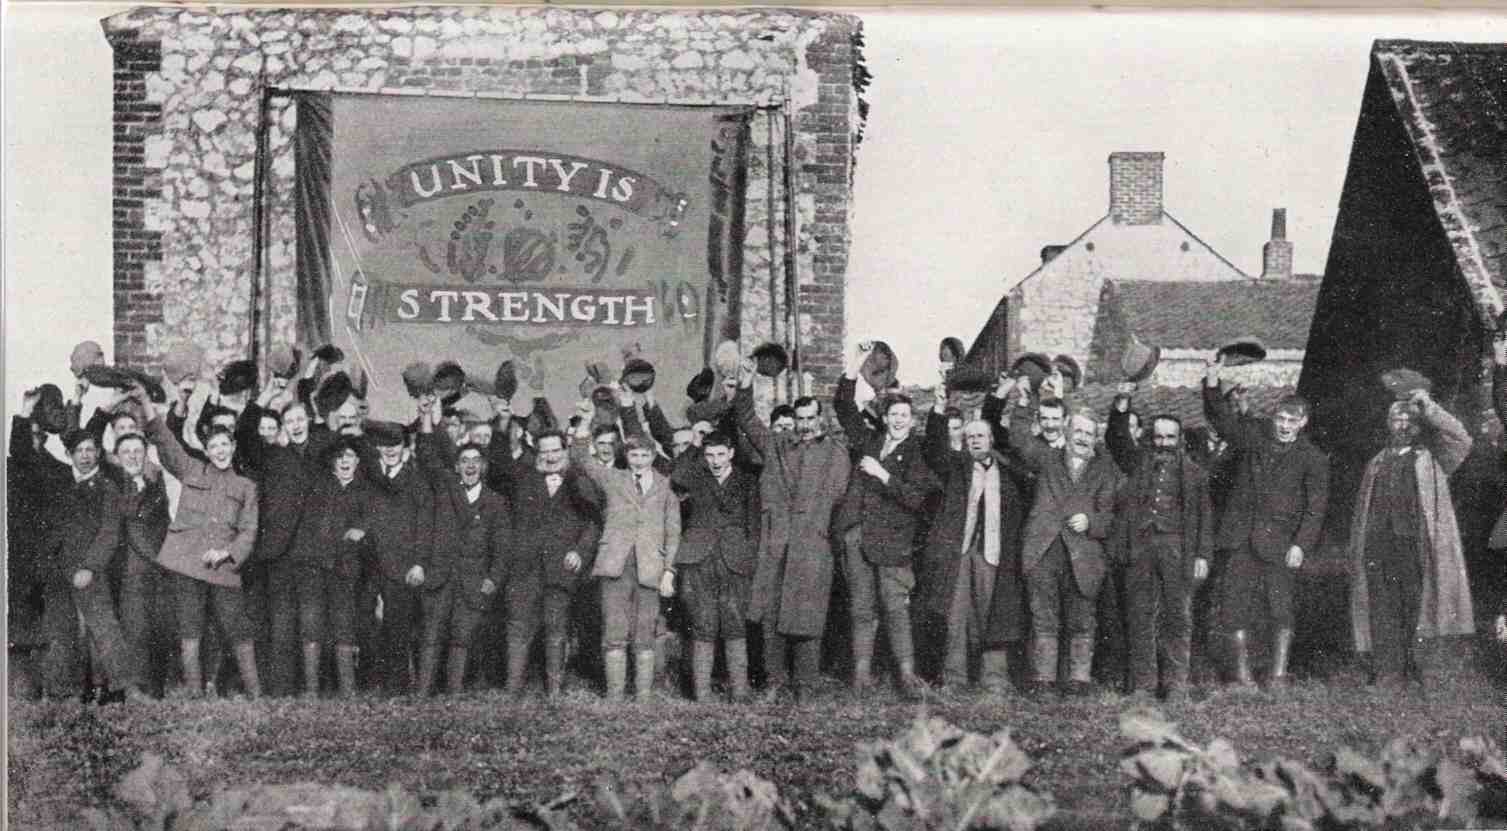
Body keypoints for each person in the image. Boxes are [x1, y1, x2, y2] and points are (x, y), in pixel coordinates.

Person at [1203, 358, 1329, 688]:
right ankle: (1242, 676)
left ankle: (1277, 674)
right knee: (1233, 606)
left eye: (1292, 420)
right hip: (1241, 538)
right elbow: (1221, 420)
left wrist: (1301, 545)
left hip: (1281, 543)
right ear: (1274, 418)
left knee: (1280, 609)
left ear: (1303, 422)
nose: (1285, 425)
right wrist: (1213, 378)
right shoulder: (1254, 440)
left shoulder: (1313, 459)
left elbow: (1315, 509)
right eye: (1281, 418)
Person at [732, 358, 851, 701]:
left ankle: (805, 686)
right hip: (777, 545)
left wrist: (818, 532)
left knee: (808, 618)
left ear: (821, 419)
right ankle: (774, 682)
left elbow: (835, 498)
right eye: (800, 419)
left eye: (811, 419)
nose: (806, 425)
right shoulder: (777, 445)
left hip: (812, 545)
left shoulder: (835, 454)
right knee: (771, 616)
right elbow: (747, 419)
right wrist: (745, 384)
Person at [15, 389, 143, 701]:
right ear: (70, 454)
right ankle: (61, 693)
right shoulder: (58, 479)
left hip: (90, 571)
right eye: (79, 450)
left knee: (105, 628)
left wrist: (89, 567)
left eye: (90, 449)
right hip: (57, 570)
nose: (85, 455)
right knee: (60, 630)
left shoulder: (108, 488)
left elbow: (109, 533)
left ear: (98, 453)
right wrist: (24, 412)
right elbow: (23, 456)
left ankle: (125, 687)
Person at [138, 381, 262, 698]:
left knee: (238, 627)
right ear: (206, 451)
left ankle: (256, 694)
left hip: (223, 566)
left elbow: (249, 530)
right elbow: (165, 440)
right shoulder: (192, 469)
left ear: (233, 447)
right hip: (186, 563)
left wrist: (227, 554)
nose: (220, 451)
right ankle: (194, 694)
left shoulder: (246, 487)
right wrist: (145, 403)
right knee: (189, 627)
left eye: (225, 445)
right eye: (214, 446)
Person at [833, 342, 939, 696]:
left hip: (894, 544)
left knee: (895, 609)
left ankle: (907, 677)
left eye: (904, 415)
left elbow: (917, 499)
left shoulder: (918, 452)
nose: (898, 420)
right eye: (893, 414)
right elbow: (843, 407)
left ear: (912, 420)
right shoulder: (870, 441)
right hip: (859, 539)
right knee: (862, 609)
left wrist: (883, 475)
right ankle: (861, 677)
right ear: (885, 417)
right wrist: (856, 362)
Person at [1348, 385, 1474, 686]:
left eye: (1410, 420)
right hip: (1379, 544)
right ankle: (1388, 669)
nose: (1403, 425)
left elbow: (1462, 439)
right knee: (1382, 604)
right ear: (1388, 424)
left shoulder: (1433, 458)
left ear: (1419, 426)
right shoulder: (1377, 462)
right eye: (1397, 419)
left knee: (1418, 602)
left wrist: (1428, 407)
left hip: (1416, 544)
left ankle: (1422, 667)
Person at [1006, 381, 1120, 695]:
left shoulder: (1104, 471)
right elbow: (1019, 439)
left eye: (1088, 433)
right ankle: (1043, 681)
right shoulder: (1047, 459)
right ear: (1067, 431)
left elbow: (1110, 516)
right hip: (1044, 550)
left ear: (1095, 438)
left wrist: (1091, 522)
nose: (1082, 438)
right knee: (1043, 616)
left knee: (1082, 619)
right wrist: (1024, 402)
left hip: (1083, 555)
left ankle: (1078, 681)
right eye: (1078, 431)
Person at [918, 389, 1029, 693]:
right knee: (955, 614)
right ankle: (954, 678)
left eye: (981, 436)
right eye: (970, 437)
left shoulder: (1009, 473)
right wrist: (938, 409)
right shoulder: (956, 467)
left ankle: (994, 678)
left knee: (993, 612)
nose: (975, 441)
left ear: (992, 440)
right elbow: (934, 449)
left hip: (993, 553)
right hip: (960, 552)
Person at [1107, 389, 1215, 700]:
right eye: (1158, 437)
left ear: (1180, 440)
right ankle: (1144, 684)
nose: (1163, 443)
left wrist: (1202, 556)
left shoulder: (1195, 474)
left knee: (1178, 617)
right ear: (1150, 439)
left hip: (1178, 550)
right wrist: (1121, 407)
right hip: (1141, 548)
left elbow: (1205, 518)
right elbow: (1117, 440)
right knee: (1140, 615)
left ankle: (1176, 685)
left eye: (1170, 437)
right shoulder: (1139, 464)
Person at [571, 397, 681, 701]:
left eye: (644, 454)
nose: (639, 460)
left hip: (650, 568)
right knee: (614, 630)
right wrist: (585, 420)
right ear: (626, 455)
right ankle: (615, 696)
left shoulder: (665, 486)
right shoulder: (613, 479)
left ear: (652, 456)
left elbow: (673, 532)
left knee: (645, 632)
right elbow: (581, 457)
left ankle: (643, 696)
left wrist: (669, 571)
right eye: (633, 454)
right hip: (615, 566)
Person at [413, 396, 510, 696]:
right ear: (456, 467)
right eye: (465, 461)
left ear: (484, 467)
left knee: (462, 639)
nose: (470, 466)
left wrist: (492, 580)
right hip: (440, 578)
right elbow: (427, 455)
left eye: (475, 461)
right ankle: (423, 694)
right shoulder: (446, 489)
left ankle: (454, 694)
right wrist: (426, 418)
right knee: (431, 636)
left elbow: (502, 548)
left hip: (473, 581)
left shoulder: (495, 502)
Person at [502, 429, 602, 697]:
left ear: (565, 450)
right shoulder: (525, 481)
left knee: (556, 629)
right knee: (518, 627)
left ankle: (554, 692)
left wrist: (580, 552)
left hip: (561, 569)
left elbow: (593, 523)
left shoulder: (580, 481)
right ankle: (512, 691)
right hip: (525, 569)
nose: (550, 457)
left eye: (555, 450)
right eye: (544, 451)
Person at [669, 431, 760, 701]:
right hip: (698, 560)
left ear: (731, 453)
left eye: (721, 454)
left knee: (735, 623)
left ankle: (740, 691)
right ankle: (702, 694)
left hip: (734, 560)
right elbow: (677, 476)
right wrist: (695, 445)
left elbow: (754, 526)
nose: (716, 461)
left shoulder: (747, 481)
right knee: (702, 623)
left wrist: (748, 558)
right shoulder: (695, 477)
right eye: (709, 455)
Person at [286, 435, 373, 697]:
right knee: (311, 624)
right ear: (332, 462)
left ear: (358, 461)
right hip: (313, 567)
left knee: (344, 625)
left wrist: (362, 530)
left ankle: (348, 690)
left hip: (345, 569)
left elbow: (374, 523)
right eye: (339, 457)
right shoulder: (319, 487)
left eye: (350, 456)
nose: (345, 461)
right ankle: (312, 690)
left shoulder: (365, 491)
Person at [362, 421, 435, 694]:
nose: (390, 450)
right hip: (371, 563)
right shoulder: (369, 477)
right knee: (367, 621)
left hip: (402, 565)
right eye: (384, 445)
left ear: (405, 448)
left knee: (397, 625)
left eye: (395, 444)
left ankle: (397, 684)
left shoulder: (417, 481)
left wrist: (419, 564)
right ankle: (371, 679)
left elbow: (425, 526)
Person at [111, 431, 175, 697]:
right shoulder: (114, 486)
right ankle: (135, 689)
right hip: (129, 570)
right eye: (126, 452)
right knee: (134, 628)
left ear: (146, 454)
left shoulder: (154, 485)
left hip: (157, 570)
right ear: (117, 457)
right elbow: (132, 526)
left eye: (138, 451)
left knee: (158, 626)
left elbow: (164, 525)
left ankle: (156, 689)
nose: (133, 457)